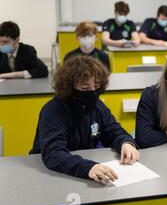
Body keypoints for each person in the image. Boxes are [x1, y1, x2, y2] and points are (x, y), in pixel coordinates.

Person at [30, 56, 139, 184]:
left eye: (97, 86)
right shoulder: (53, 110)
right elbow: (54, 153)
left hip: (80, 169)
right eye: (85, 88)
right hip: (50, 173)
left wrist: (126, 143)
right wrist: (88, 167)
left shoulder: (97, 106)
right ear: (70, 87)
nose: (93, 92)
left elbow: (114, 130)